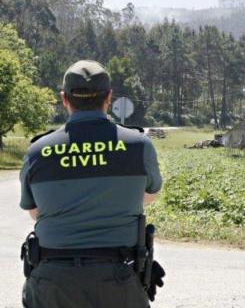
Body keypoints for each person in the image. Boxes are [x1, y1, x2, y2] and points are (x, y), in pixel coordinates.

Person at [19, 60, 164, 308]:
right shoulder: (139, 145)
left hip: (52, 282)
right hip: (119, 278)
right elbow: (149, 196)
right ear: (108, 97)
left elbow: (35, 212)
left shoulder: (37, 151)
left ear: (64, 99)